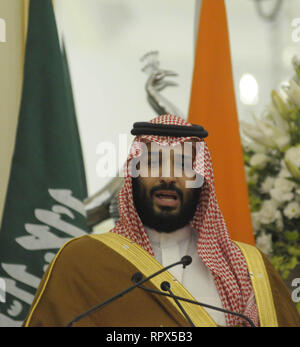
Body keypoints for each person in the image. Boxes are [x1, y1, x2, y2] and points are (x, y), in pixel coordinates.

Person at [23, 115, 300, 327]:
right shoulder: (82, 261)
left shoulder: (248, 271)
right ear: (133, 176)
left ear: (202, 181)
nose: (168, 177)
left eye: (182, 165)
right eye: (154, 162)